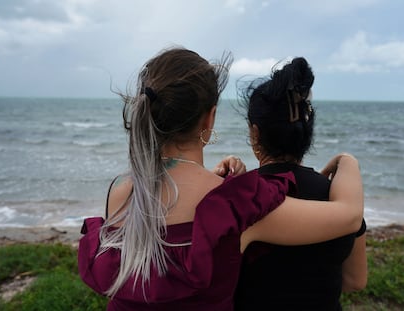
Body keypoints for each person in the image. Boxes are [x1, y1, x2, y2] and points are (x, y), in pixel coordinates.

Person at [78, 47, 364, 311]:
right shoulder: (235, 205)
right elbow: (349, 216)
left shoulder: (119, 190)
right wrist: (347, 162)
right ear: (210, 118)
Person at [234, 57, 367, 311]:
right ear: (307, 133)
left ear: (255, 133)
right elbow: (355, 280)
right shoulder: (341, 199)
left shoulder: (240, 200)